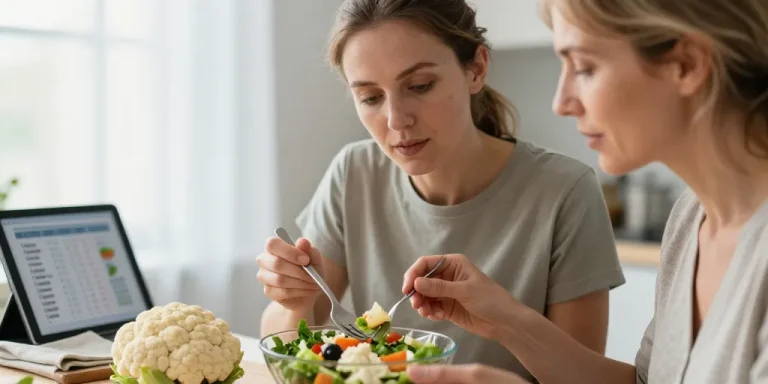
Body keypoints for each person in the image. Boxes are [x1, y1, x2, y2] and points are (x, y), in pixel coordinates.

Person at [255, 0, 627, 377]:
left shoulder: (565, 192)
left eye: (420, 86)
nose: (397, 120)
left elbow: (582, 375)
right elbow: (282, 338)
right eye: (370, 97)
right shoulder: (354, 172)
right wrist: (294, 299)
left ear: (476, 69)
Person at [402, 0, 768, 382]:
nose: (561, 103)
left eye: (585, 67)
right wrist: (508, 321)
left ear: (686, 65)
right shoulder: (692, 218)